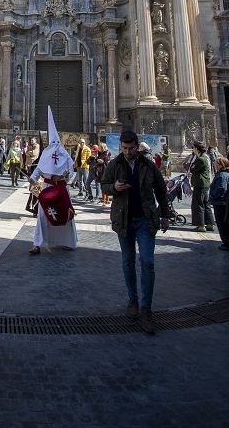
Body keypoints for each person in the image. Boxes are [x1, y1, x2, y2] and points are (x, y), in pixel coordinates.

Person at [101, 130, 172, 334]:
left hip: (145, 220)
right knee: (128, 261)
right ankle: (133, 299)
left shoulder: (148, 165)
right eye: (125, 148)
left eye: (132, 148)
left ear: (137, 146)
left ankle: (146, 309)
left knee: (148, 262)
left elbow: (161, 190)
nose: (129, 152)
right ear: (121, 147)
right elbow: (104, 185)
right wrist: (114, 187)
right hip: (124, 219)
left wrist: (165, 214)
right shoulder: (114, 165)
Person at [28, 107, 77, 254]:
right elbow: (39, 169)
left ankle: (68, 241)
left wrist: (67, 181)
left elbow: (72, 171)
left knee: (65, 214)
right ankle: (37, 243)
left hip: (61, 189)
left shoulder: (64, 154)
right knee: (42, 216)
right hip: (47, 188)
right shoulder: (46, 154)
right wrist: (32, 179)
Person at [190, 141, 215, 232]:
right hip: (206, 183)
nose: (192, 149)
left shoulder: (200, 159)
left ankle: (201, 225)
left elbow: (193, 169)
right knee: (206, 204)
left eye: (193, 147)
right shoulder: (206, 157)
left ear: (196, 148)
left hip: (200, 183)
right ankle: (209, 224)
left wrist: (192, 166)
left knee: (198, 204)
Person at [208, 156, 229, 250]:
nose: (215, 165)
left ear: (221, 165)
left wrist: (213, 195)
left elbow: (222, 188)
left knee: (221, 223)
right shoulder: (224, 174)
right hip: (223, 202)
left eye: (216, 163)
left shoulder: (221, 175)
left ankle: (226, 242)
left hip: (220, 202)